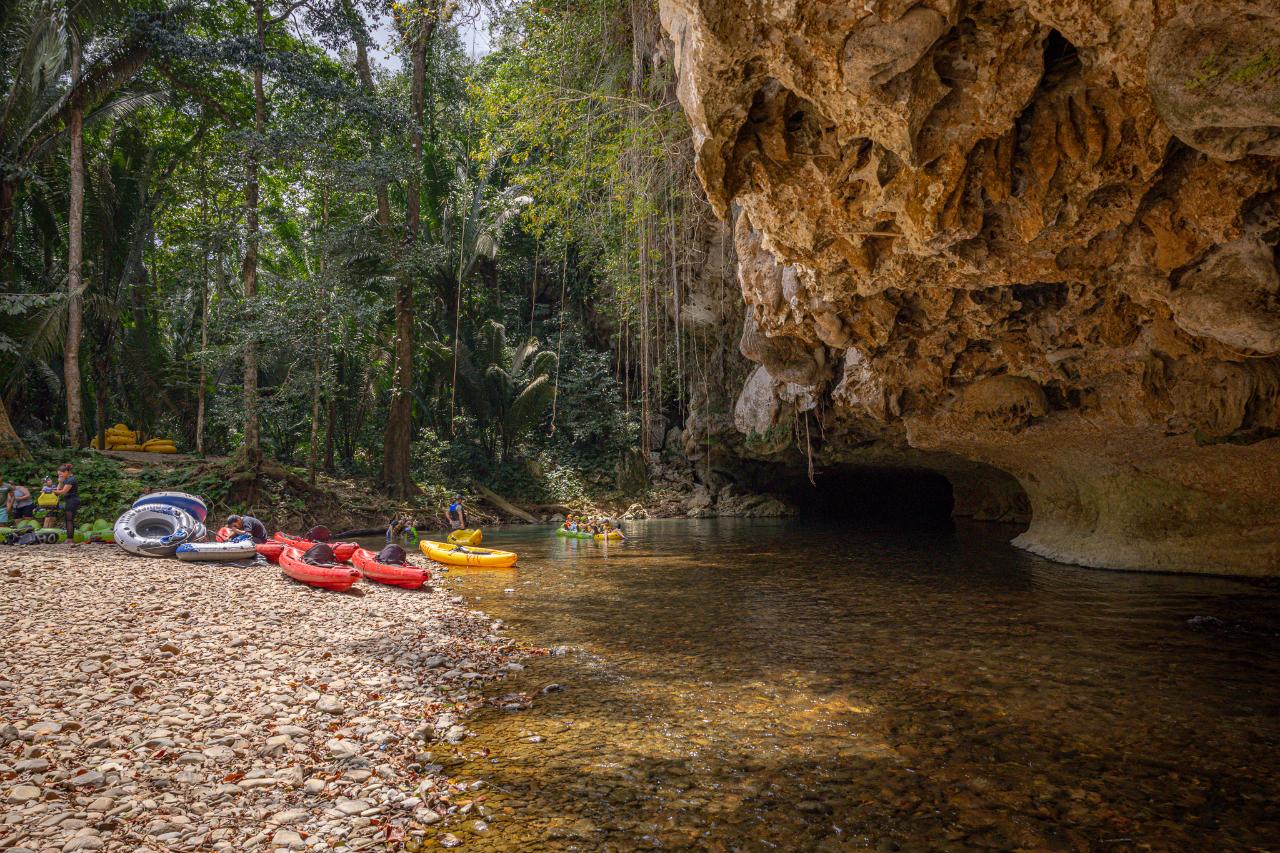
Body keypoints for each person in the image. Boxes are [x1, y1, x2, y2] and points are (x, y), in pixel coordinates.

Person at [52, 463, 79, 542]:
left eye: (61, 474)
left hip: (73, 500)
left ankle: (70, 539)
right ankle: (69, 538)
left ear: (66, 472)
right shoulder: (66, 479)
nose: (60, 476)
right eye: (59, 475)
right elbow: (59, 489)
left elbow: (63, 492)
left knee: (69, 520)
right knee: (68, 519)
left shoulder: (71, 479)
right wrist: (60, 482)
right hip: (69, 500)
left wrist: (50, 491)